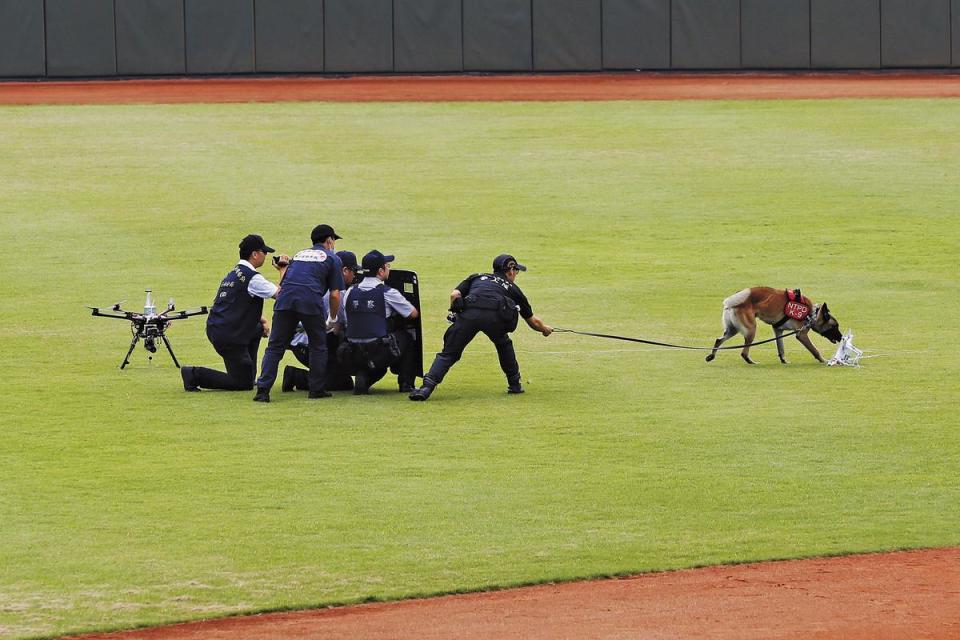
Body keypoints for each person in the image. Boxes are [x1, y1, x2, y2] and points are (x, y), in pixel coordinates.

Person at [409, 254, 552, 401]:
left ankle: (426, 387)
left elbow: (454, 294)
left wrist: (455, 312)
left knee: (449, 354)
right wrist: (545, 329)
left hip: (470, 314)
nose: (516, 275)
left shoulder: (477, 277)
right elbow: (533, 321)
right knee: (503, 344)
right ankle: (515, 384)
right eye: (516, 271)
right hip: (495, 318)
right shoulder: (513, 288)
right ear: (510, 270)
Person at [181, 234, 287, 392]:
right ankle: (193, 374)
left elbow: (237, 304)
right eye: (264, 252)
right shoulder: (252, 278)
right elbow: (283, 295)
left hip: (221, 328)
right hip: (229, 335)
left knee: (257, 328)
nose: (266, 255)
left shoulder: (234, 274)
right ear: (255, 254)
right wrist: (283, 270)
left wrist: (261, 320)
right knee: (241, 384)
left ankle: (248, 374)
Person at [253, 224, 344, 402]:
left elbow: (287, 279)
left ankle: (262, 390)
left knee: (275, 347)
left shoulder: (299, 255)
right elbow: (334, 294)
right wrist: (332, 318)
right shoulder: (332, 258)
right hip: (310, 301)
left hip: (285, 300)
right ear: (329, 240)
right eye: (333, 240)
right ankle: (316, 389)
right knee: (318, 345)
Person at [341, 250, 420, 394]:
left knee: (379, 365)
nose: (389, 268)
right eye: (387, 265)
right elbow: (413, 314)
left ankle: (363, 379)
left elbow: (346, 320)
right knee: (408, 337)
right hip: (377, 351)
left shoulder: (349, 292)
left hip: (352, 352)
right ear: (380, 271)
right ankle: (406, 384)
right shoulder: (387, 292)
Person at [282, 250, 359, 392]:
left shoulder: (319, 284)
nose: (356, 275)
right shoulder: (337, 294)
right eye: (354, 271)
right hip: (309, 346)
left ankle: (305, 375)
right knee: (340, 382)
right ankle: (296, 375)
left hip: (302, 342)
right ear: (345, 270)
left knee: (344, 379)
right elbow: (339, 327)